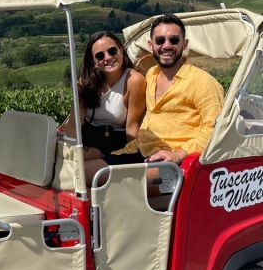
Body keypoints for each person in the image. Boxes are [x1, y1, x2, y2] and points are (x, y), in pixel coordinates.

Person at [92, 14, 224, 171]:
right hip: (141, 151)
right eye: (160, 40)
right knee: (85, 173)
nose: (167, 45)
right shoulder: (150, 75)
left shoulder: (203, 82)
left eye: (174, 40)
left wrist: (179, 154)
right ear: (150, 45)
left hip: (175, 163)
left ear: (185, 44)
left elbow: (215, 129)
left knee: (122, 185)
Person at [60, 31, 146, 158]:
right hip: (87, 139)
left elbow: (132, 126)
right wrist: (66, 151)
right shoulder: (85, 83)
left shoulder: (134, 80)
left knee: (80, 166)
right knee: (55, 155)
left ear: (121, 51)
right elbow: (74, 123)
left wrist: (131, 157)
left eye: (112, 51)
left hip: (114, 144)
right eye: (100, 56)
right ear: (94, 62)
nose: (107, 58)